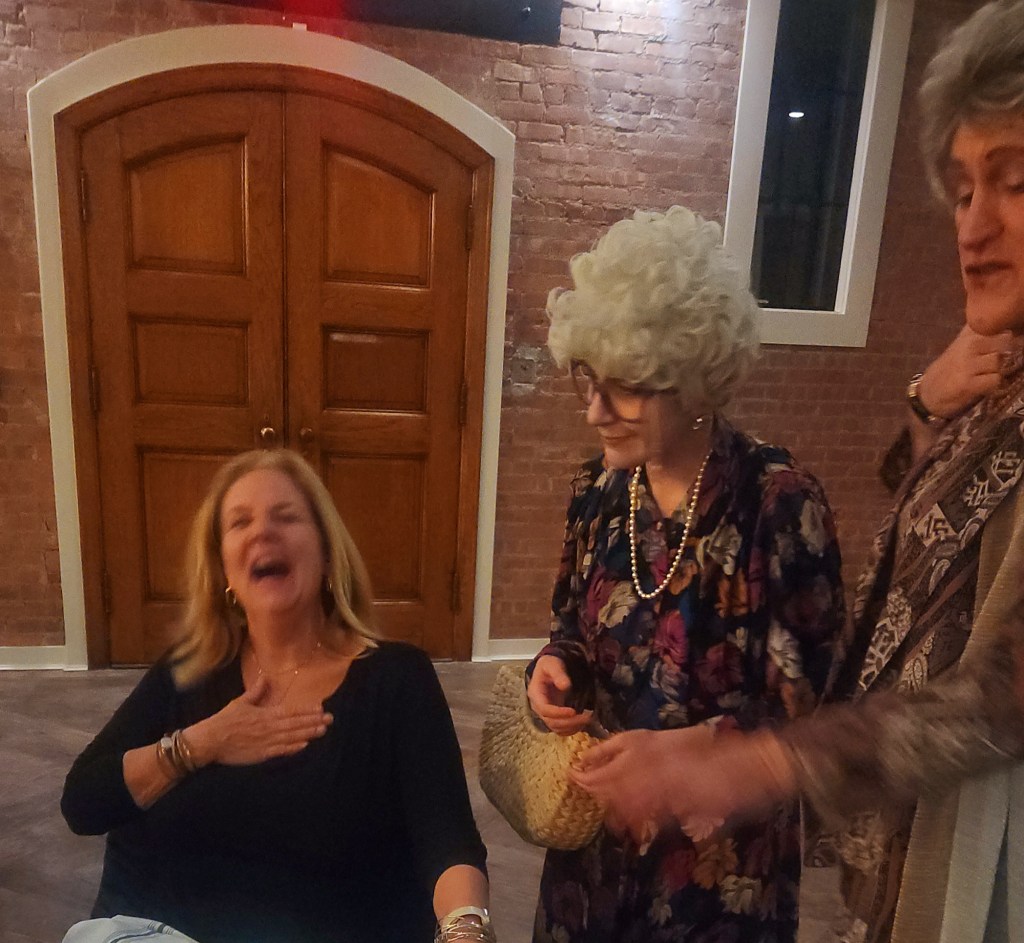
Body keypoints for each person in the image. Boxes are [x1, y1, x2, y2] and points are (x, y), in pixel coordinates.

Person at [572, 3, 1024, 941]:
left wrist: (740, 762)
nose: (974, 226)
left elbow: (1000, 693)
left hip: (959, 865)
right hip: (884, 849)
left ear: (692, 376)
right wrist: (922, 403)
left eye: (1015, 182)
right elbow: (920, 529)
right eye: (962, 190)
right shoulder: (1001, 373)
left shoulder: (776, 499)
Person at [524, 205, 846, 943]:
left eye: (626, 386)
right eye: (589, 378)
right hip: (593, 858)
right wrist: (555, 665)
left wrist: (686, 750)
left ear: (694, 380)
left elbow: (815, 714)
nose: (595, 411)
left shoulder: (779, 503)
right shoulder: (597, 492)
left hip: (714, 874)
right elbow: (571, 625)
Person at [61, 449, 494, 943]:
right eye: (240, 522)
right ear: (223, 572)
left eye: (286, 517)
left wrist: (466, 930)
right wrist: (201, 744)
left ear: (327, 553)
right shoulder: (187, 672)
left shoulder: (396, 678)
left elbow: (449, 843)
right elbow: (84, 803)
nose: (263, 533)